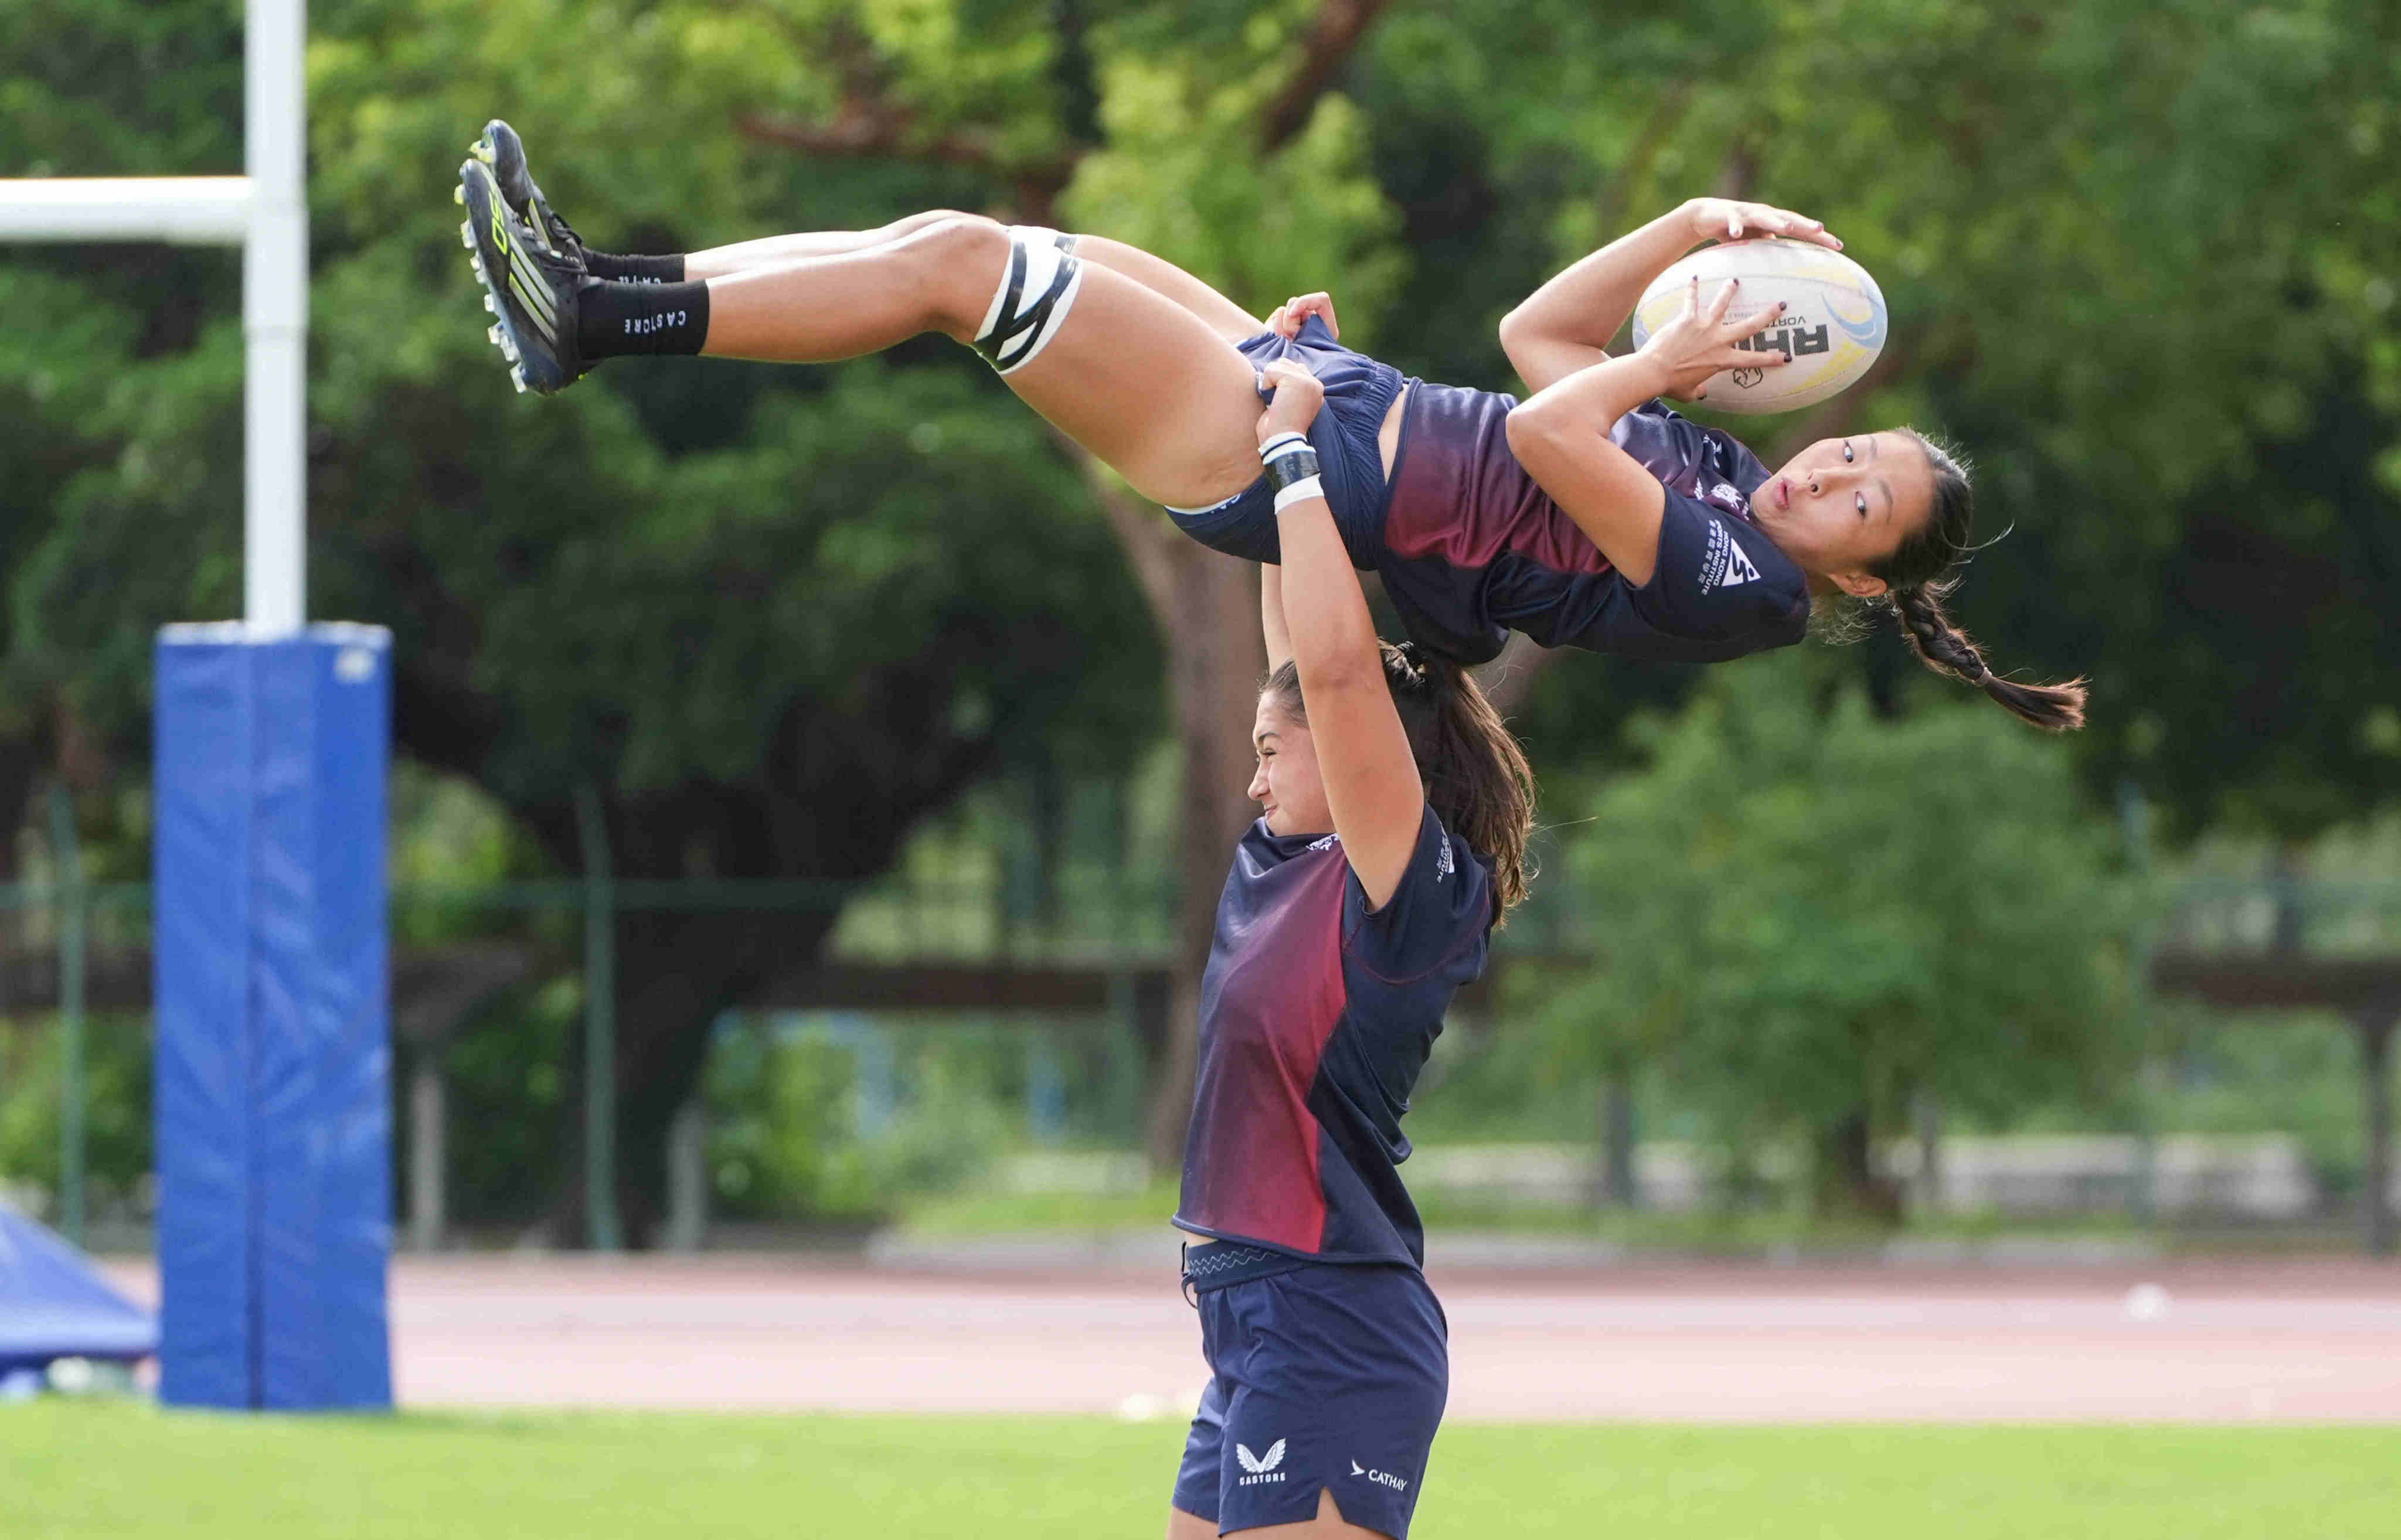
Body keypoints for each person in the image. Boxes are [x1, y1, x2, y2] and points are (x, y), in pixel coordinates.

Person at [457, 121, 2084, 729]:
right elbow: (1538, 339)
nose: (1830, 467)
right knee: (985, 235)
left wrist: (1663, 367)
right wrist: (1682, 228)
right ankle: (596, 286)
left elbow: (1546, 437)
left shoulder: (1745, 586)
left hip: (1279, 453)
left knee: (961, 270)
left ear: (1865, 581)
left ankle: (598, 323)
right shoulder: (1732, 471)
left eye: (1860, 500)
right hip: (1334, 390)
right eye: (1857, 447)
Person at [1162, 347, 1532, 1538]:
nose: (1256, 775)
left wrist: (1289, 454)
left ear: (1355, 741)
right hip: (1251, 1324)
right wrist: (1286, 402)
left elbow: (1330, 665)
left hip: (1333, 1325)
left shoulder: (1411, 892)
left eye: (1281, 749)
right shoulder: (1287, 861)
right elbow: (1300, 630)